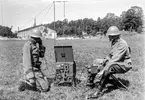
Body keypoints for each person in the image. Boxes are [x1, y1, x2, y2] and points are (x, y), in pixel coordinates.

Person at [86, 26, 132, 99]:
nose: (109, 37)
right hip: (116, 61)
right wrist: (104, 60)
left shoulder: (122, 44)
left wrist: (101, 71)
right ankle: (90, 82)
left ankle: (98, 91)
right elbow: (110, 55)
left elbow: (115, 59)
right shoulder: (114, 42)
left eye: (110, 36)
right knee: (96, 61)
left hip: (124, 64)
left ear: (115, 36)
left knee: (109, 67)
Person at [18, 28, 50, 92]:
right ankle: (25, 83)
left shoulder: (35, 45)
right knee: (45, 88)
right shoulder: (27, 46)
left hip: (37, 69)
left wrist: (41, 46)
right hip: (31, 70)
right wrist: (31, 76)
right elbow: (26, 62)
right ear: (35, 37)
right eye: (38, 38)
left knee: (46, 83)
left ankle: (33, 82)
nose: (39, 39)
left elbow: (41, 55)